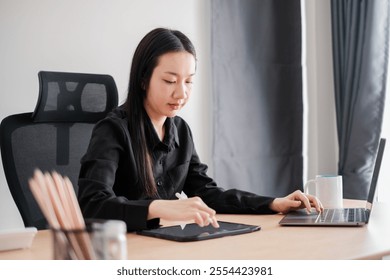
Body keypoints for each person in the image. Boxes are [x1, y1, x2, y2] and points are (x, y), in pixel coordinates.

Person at [77, 27, 323, 232]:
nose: (181, 93)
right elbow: (92, 205)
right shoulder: (113, 129)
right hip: (120, 251)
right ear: (143, 79)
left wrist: (273, 203)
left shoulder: (180, 131)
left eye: (189, 81)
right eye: (170, 81)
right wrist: (158, 207)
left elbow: (208, 193)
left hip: (165, 245)